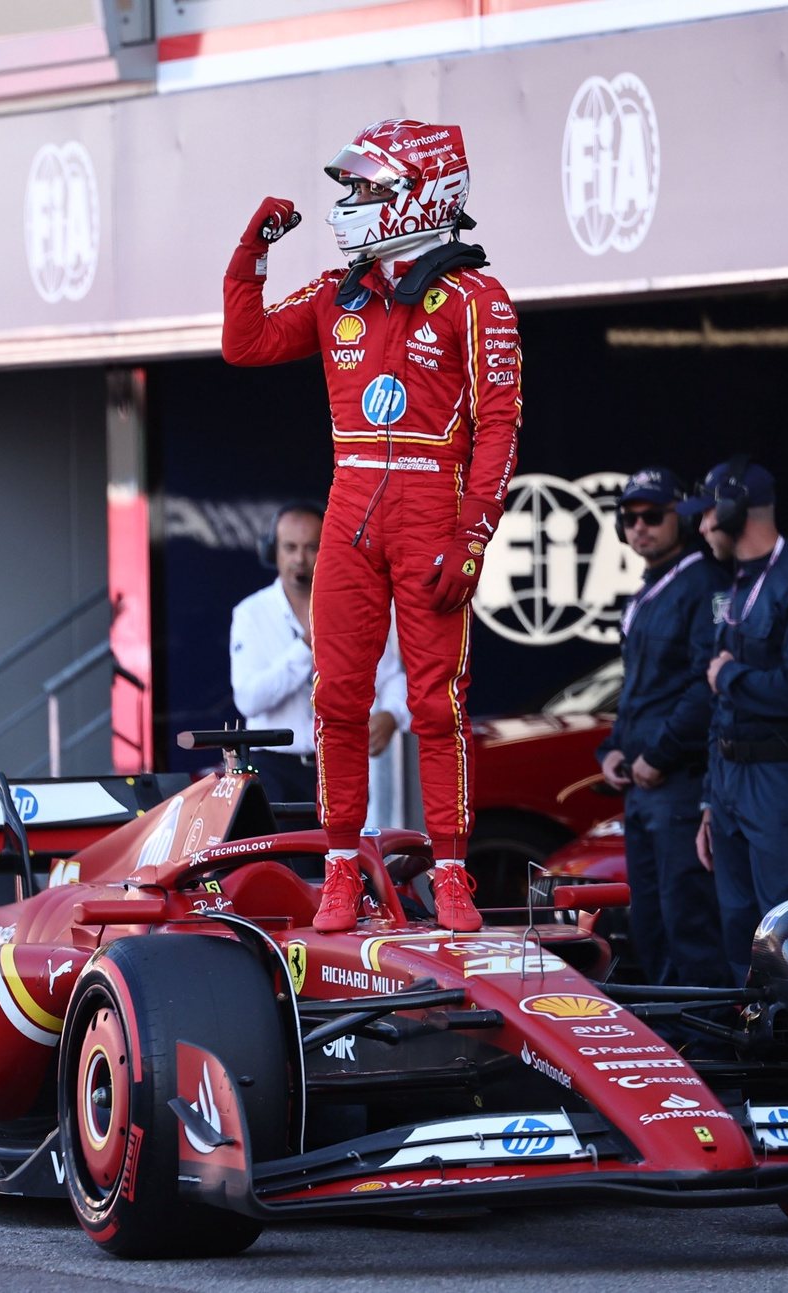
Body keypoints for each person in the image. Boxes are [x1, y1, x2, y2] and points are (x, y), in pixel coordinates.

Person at [223, 118, 521, 933]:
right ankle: (341, 870)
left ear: (418, 193)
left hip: (431, 508)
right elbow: (243, 343)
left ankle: (452, 873)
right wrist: (251, 254)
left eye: (363, 188)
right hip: (349, 505)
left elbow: (500, 424)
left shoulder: (476, 299)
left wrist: (472, 532)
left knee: (436, 702)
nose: (348, 203)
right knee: (338, 700)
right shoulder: (334, 293)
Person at [679, 458, 788, 979]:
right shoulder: (735, 585)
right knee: (738, 933)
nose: (701, 525)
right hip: (729, 785)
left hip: (782, 782)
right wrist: (710, 799)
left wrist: (730, 675)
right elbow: (719, 707)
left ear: (732, 512)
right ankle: (752, 1052)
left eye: (708, 514)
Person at [596, 468, 731, 987]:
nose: (639, 528)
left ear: (684, 517)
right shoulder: (651, 588)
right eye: (629, 519)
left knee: (688, 925)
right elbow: (640, 690)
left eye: (653, 516)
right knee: (650, 926)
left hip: (680, 783)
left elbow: (706, 686)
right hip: (643, 788)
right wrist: (611, 749)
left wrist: (659, 754)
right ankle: (671, 1050)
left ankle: (709, 1054)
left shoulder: (704, 582)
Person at [230, 502, 409, 822]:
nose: (300, 559)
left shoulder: (353, 610)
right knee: (284, 871)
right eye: (290, 547)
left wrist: (391, 714)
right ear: (273, 552)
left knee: (346, 865)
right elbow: (249, 700)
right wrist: (306, 646)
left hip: (340, 767)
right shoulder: (250, 613)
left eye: (312, 547)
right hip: (273, 769)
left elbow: (393, 677)